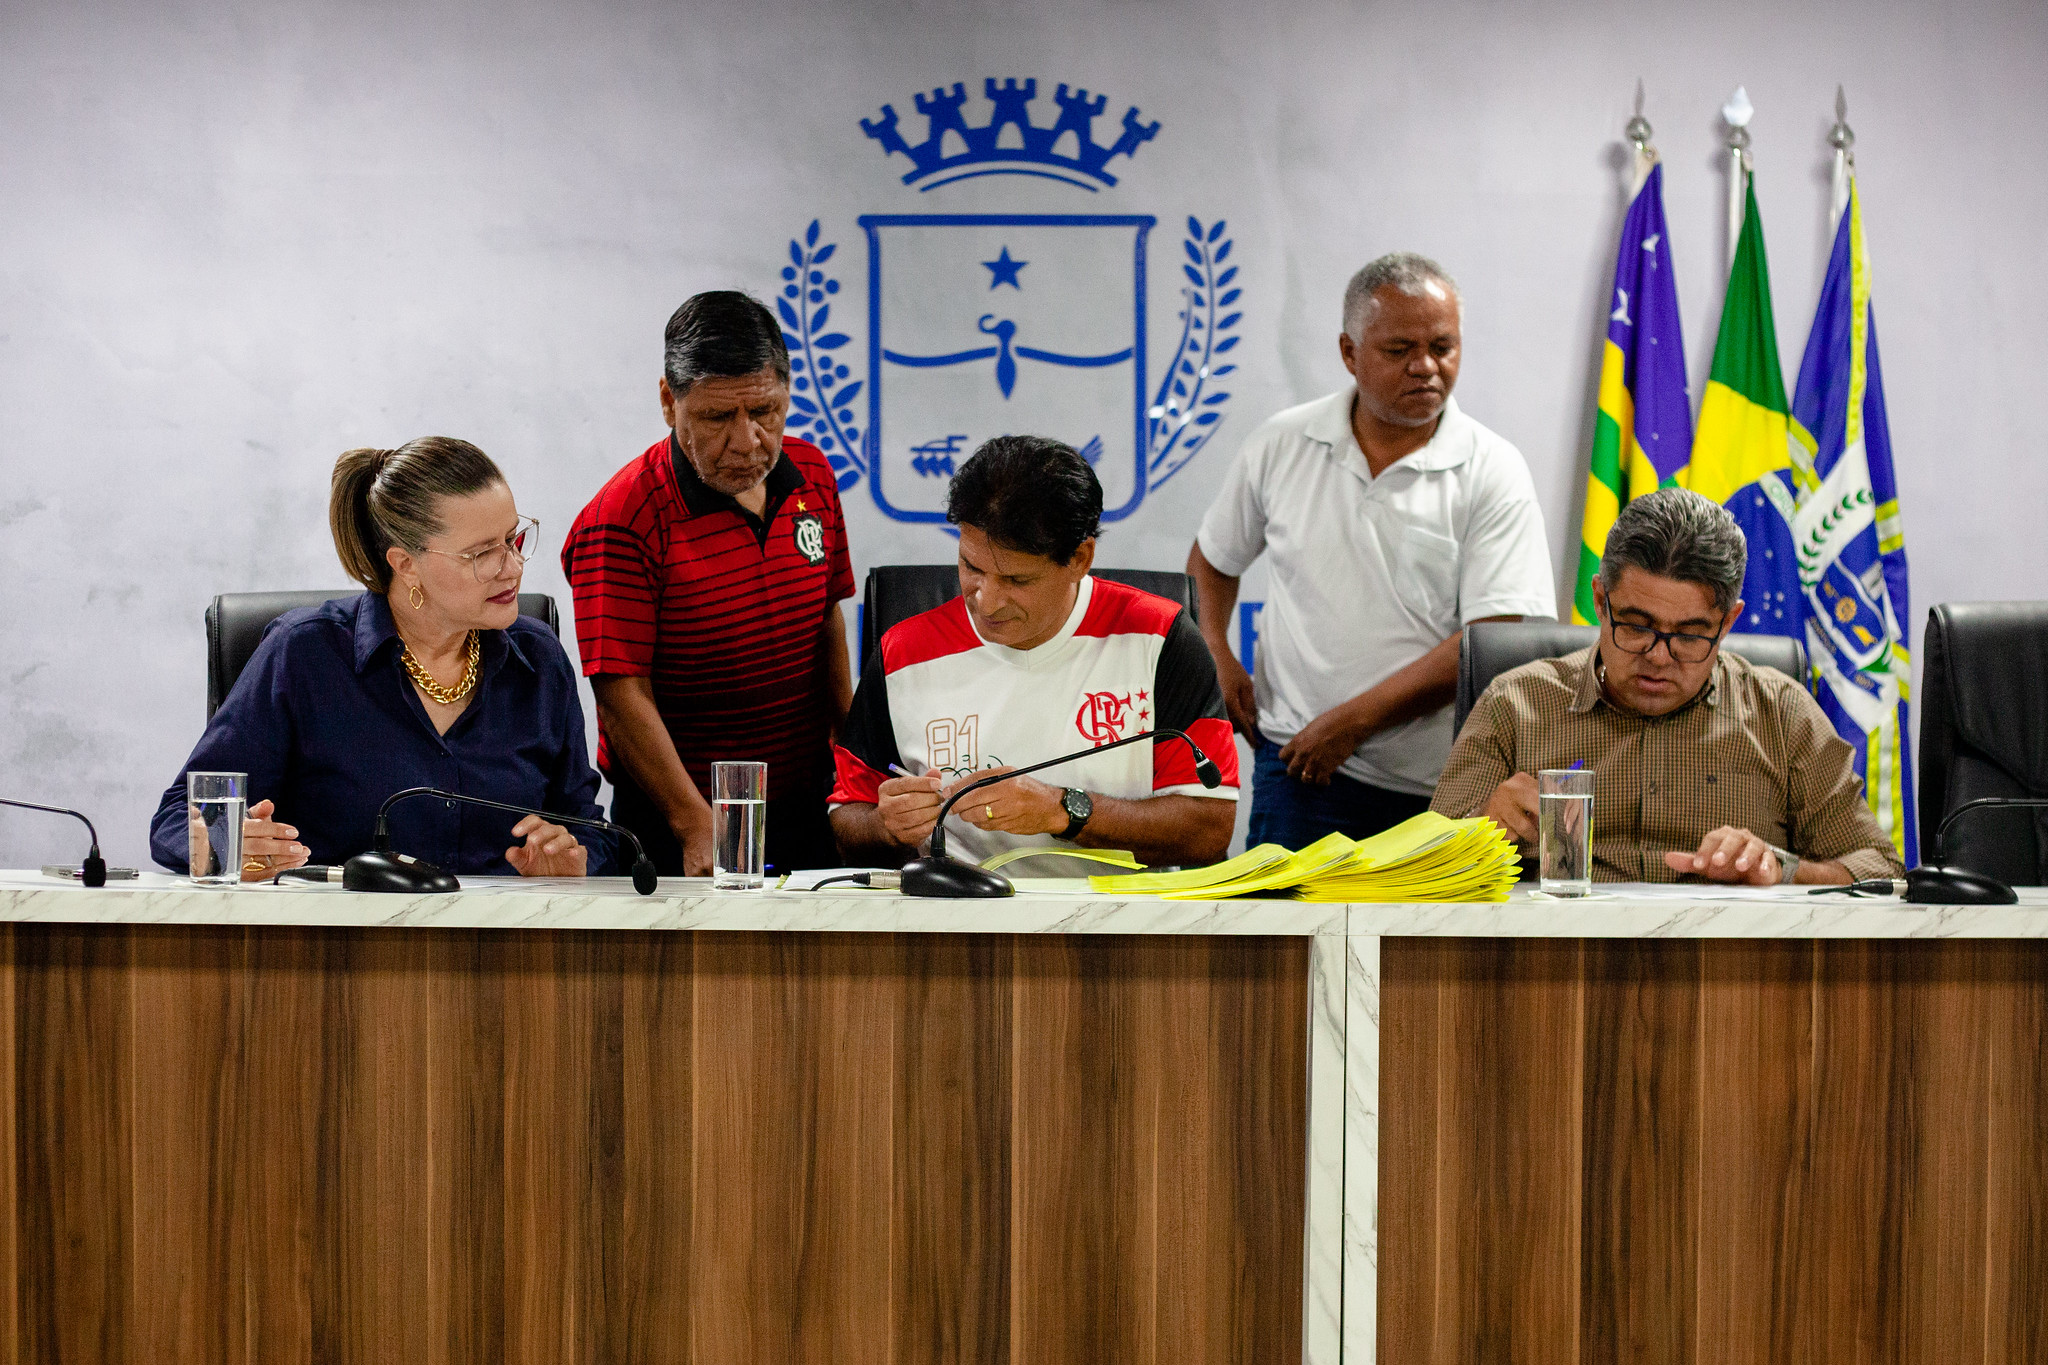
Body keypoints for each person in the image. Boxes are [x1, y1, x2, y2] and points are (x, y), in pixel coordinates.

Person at [1189, 252, 1555, 849]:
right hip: (1301, 768)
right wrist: (1214, 650)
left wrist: (1353, 722)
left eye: (1443, 346)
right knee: (1288, 940)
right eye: (1399, 349)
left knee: (1424, 947)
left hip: (1444, 787)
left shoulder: (1493, 468)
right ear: (1349, 352)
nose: (1426, 367)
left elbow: (1491, 637)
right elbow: (1211, 560)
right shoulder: (1282, 443)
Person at [149, 438, 620, 879]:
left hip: (501, 952)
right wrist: (221, 844)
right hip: (338, 949)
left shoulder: (538, 659)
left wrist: (573, 858)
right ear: (405, 564)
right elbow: (176, 820)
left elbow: (591, 830)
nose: (513, 567)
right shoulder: (303, 655)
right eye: (481, 553)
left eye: (513, 539)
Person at [1432, 488, 1908, 885]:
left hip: (1725, 975)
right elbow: (1418, 871)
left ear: (1727, 624)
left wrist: (1781, 870)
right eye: (1637, 626)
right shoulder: (1515, 705)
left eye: (1688, 635)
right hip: (1556, 971)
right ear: (1601, 600)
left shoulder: (1781, 714)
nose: (1659, 657)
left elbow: (1881, 871)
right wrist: (1481, 831)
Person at [830, 436, 1239, 874]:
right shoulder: (903, 651)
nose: (986, 602)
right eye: (972, 567)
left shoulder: (1159, 637)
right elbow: (847, 818)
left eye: (1017, 580)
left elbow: (1209, 827)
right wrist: (885, 825)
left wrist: (1064, 810)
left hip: (1121, 925)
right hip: (959, 921)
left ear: (1080, 559)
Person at [562, 291, 854, 876]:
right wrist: (693, 822)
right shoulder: (621, 520)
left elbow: (826, 619)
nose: (747, 441)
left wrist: (854, 763)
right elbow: (620, 692)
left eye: (766, 412)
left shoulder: (814, 473)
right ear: (670, 402)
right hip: (684, 814)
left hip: (810, 798)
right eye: (718, 418)